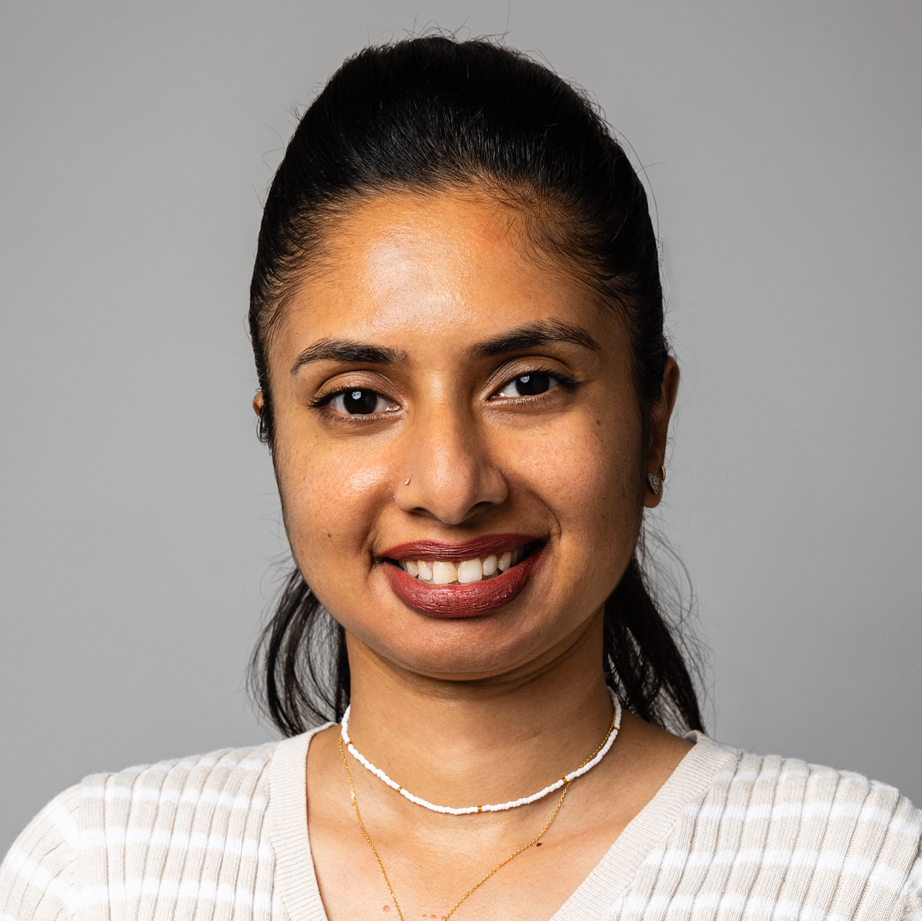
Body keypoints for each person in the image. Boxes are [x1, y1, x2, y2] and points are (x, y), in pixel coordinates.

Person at [2, 35, 920, 921]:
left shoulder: (861, 880)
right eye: (359, 399)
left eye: (528, 383)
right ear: (275, 437)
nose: (450, 485)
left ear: (653, 425)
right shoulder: (97, 873)